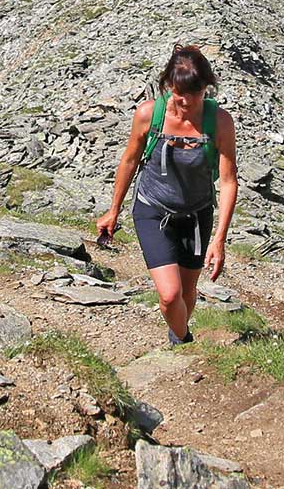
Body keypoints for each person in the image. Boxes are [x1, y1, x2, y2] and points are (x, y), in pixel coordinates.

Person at [96, 44, 239, 347]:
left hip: (197, 214)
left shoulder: (221, 123)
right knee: (170, 295)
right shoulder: (149, 114)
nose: (185, 103)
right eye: (178, 95)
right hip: (152, 209)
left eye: (195, 95)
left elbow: (228, 181)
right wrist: (114, 209)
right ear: (167, 86)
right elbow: (130, 160)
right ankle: (184, 342)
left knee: (187, 295)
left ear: (207, 90)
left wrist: (219, 239)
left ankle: (178, 332)